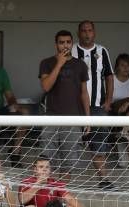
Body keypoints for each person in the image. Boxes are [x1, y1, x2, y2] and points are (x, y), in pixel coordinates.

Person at [39, 30, 91, 180]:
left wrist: (88, 119)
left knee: (69, 162)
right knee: (48, 160)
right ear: (56, 44)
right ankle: (50, 197)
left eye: (68, 42)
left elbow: (84, 93)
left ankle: (61, 197)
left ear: (72, 43)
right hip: (51, 118)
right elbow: (46, 86)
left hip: (73, 119)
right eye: (61, 42)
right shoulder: (46, 63)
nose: (65, 45)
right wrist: (59, 64)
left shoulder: (79, 64)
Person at [73, 20, 113, 187]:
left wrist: (109, 101)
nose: (87, 33)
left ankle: (103, 179)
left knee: (99, 141)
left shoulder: (102, 51)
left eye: (90, 30)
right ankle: (65, 183)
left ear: (94, 32)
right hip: (73, 107)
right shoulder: (72, 50)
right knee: (69, 140)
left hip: (97, 106)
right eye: (83, 30)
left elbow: (109, 76)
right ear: (78, 33)